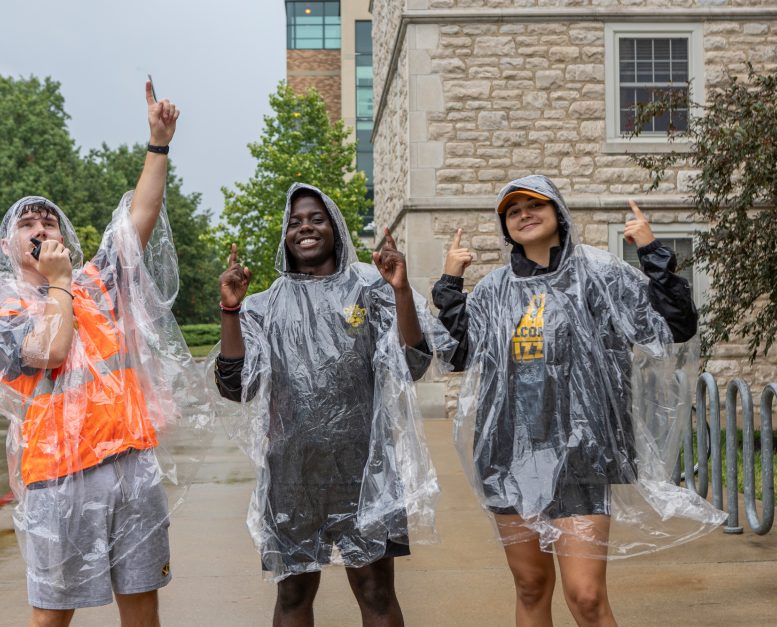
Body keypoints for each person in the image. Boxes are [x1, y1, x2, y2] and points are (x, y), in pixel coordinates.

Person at [432, 175, 726, 627]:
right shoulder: (493, 290)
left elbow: (674, 328)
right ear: (504, 225)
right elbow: (458, 353)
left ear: (558, 212)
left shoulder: (601, 273)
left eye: (535, 205)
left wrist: (652, 252)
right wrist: (451, 282)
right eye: (513, 211)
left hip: (581, 456)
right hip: (510, 454)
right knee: (531, 586)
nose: (524, 215)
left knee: (586, 597)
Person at [0, 82, 201, 627]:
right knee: (54, 614)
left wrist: (158, 144)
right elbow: (51, 351)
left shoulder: (96, 284)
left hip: (128, 461)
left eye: (48, 221)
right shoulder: (2, 313)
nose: (40, 228)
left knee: (142, 603)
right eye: (26, 225)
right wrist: (57, 282)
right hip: (57, 477)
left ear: (65, 234)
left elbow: (137, 223)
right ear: (11, 247)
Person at [213, 183, 452, 626]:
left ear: (336, 228)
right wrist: (230, 311)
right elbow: (234, 385)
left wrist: (399, 290)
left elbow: (412, 363)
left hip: (364, 470)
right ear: (285, 236)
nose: (305, 228)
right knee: (293, 594)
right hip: (293, 473)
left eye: (316, 219)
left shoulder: (369, 289)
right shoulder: (265, 305)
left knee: (376, 592)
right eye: (295, 221)